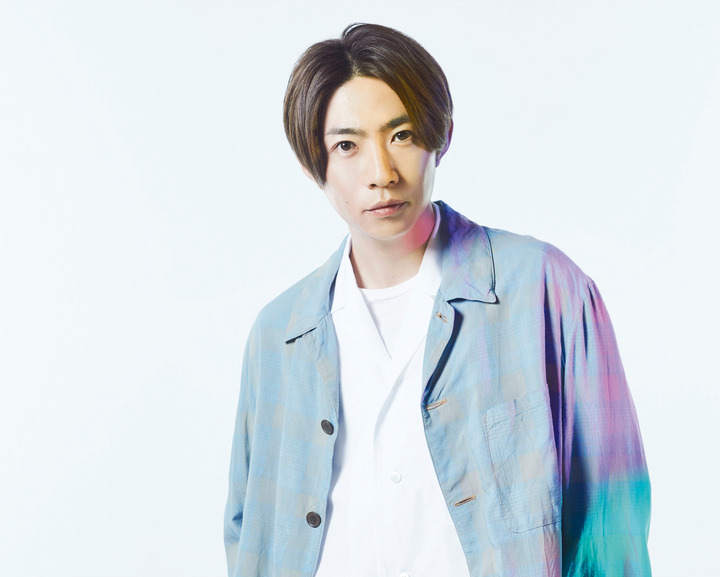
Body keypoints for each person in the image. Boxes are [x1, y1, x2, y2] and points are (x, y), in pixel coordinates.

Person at [223, 22, 652, 577]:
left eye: (401, 135)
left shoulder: (546, 290)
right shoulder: (279, 334)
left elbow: (613, 521)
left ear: (440, 136)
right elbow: (249, 532)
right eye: (347, 146)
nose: (381, 173)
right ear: (315, 163)